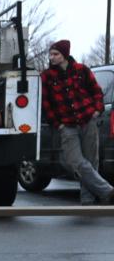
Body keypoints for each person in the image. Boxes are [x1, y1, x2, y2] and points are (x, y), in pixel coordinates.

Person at [40, 39, 113, 205]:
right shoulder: (47, 76)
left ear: (64, 54)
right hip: (67, 126)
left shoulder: (82, 70)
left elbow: (96, 92)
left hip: (88, 121)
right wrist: (58, 124)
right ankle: (107, 191)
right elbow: (46, 103)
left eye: (56, 54)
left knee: (91, 161)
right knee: (76, 161)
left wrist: (97, 110)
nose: (52, 57)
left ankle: (87, 200)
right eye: (50, 54)